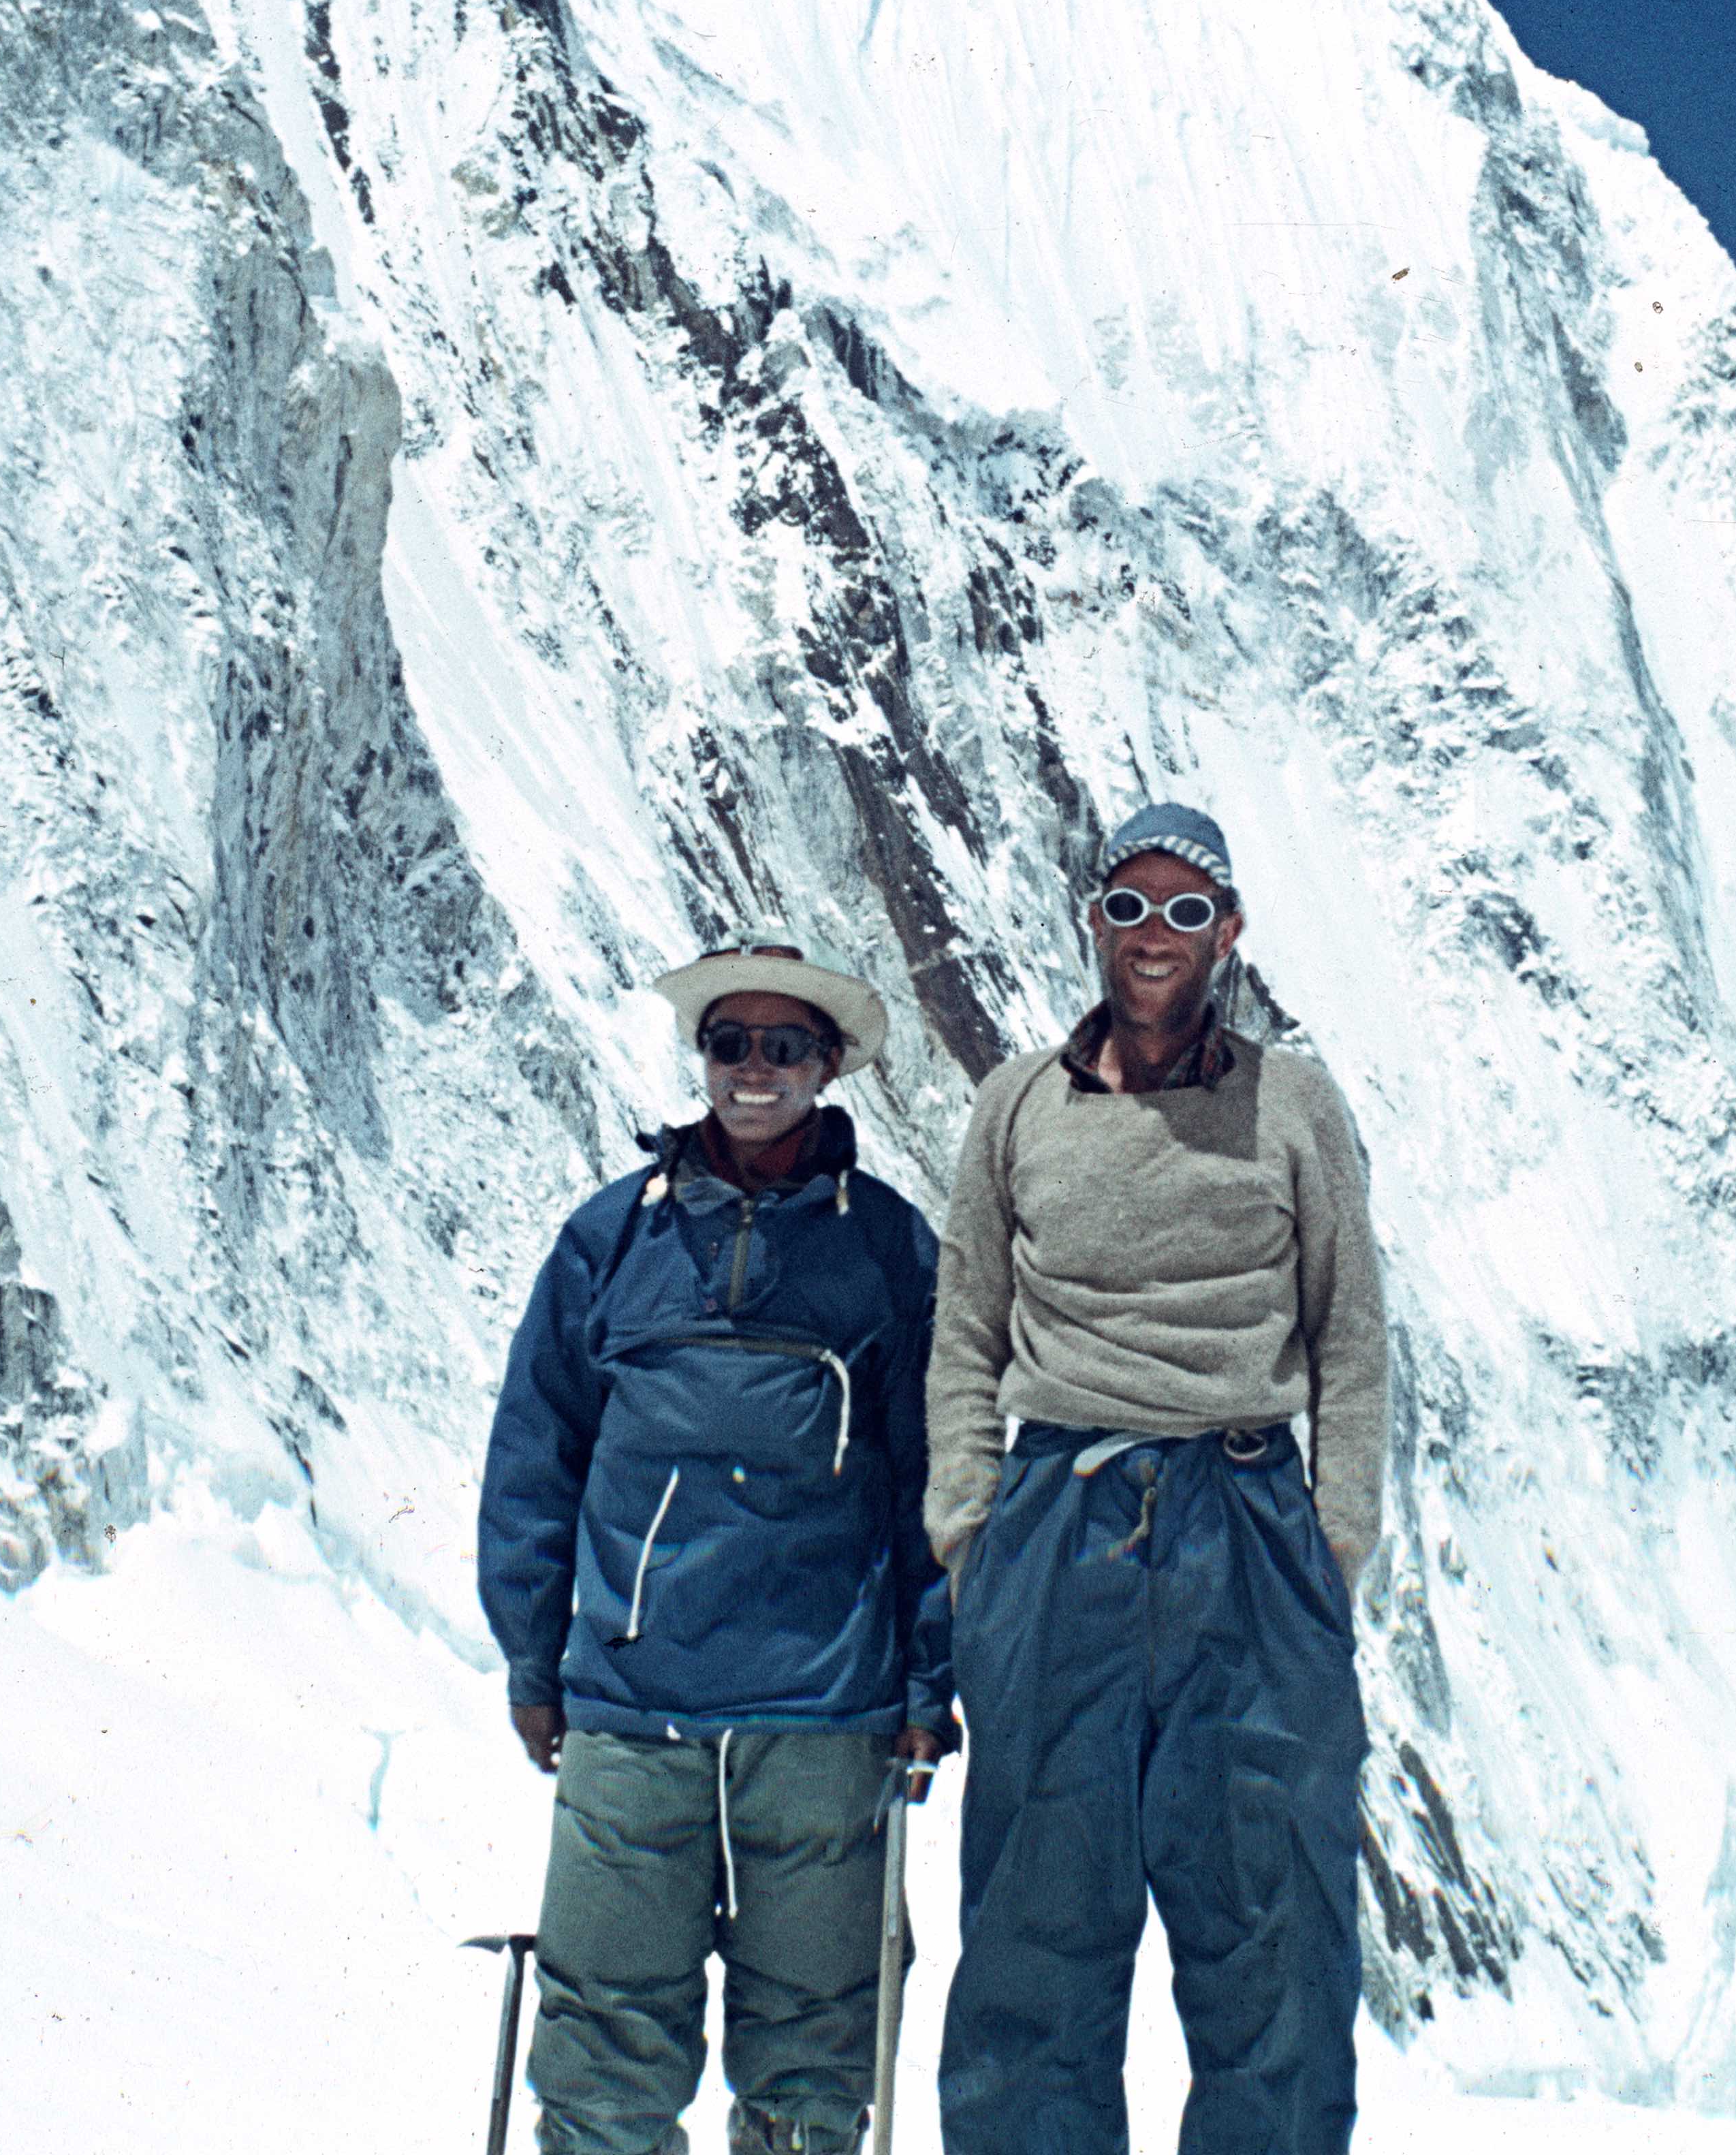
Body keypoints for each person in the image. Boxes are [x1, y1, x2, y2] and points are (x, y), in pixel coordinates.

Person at [926, 803, 1388, 2155]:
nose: (1155, 934)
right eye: (1130, 904)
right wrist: (969, 1523)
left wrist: (1331, 1538)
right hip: (1056, 1511)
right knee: (1033, 1932)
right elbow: (968, 1321)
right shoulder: (1018, 1101)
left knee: (1275, 1935)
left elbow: (1348, 1328)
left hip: (1244, 1519)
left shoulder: (1291, 1102)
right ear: (1094, 919)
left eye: (1188, 909)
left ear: (1229, 932)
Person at [481, 939, 956, 2155]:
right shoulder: (610, 1242)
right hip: (638, 1708)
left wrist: (927, 1679)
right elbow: (539, 1461)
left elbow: (940, 1481)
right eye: (731, 1043)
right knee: (602, 2055)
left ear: (829, 1065)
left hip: (827, 1718)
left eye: (784, 1046)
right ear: (703, 1059)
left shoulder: (891, 1254)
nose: (755, 1069)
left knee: (810, 2063)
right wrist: (539, 1667)